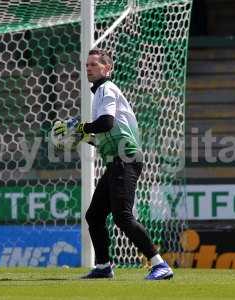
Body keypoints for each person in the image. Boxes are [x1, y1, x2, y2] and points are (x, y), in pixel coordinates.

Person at [54, 49, 173, 280]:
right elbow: (107, 135)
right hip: (116, 160)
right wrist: (83, 137)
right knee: (95, 215)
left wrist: (81, 129)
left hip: (125, 159)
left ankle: (160, 264)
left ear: (107, 69)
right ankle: (103, 267)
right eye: (87, 65)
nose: (89, 68)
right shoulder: (99, 93)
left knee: (123, 217)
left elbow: (106, 123)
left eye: (94, 65)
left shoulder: (106, 89)